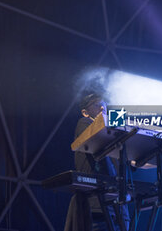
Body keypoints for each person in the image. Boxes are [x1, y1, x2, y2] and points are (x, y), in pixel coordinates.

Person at [64, 91, 130, 231]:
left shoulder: (114, 132)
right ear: (85, 112)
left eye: (104, 105)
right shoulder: (85, 123)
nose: (102, 108)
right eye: (97, 105)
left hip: (118, 207)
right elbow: (97, 137)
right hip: (97, 206)